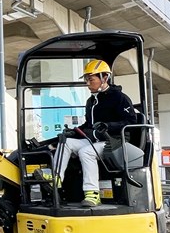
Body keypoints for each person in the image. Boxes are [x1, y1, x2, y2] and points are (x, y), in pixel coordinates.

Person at [49, 59, 139, 207]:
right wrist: (73, 132)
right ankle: (55, 180)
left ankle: (93, 194)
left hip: (115, 142)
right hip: (97, 141)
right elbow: (88, 125)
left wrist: (108, 126)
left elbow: (130, 122)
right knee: (66, 143)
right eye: (86, 80)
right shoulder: (91, 101)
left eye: (91, 79)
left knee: (86, 152)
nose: (87, 83)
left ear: (104, 78)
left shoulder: (119, 98)